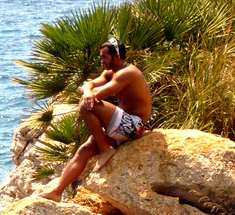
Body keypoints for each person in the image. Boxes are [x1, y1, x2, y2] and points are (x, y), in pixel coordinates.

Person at [41, 37, 152, 202]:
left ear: (117, 56)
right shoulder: (110, 73)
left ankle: (104, 149)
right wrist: (87, 89)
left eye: (104, 57)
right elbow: (89, 85)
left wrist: (88, 93)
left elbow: (95, 97)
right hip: (120, 127)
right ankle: (57, 192)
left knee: (86, 106)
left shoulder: (127, 73)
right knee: (84, 150)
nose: (101, 61)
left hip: (134, 126)